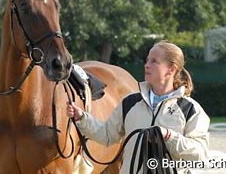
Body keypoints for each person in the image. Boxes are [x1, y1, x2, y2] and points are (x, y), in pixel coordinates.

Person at [66, 41, 209, 173]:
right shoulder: (130, 102)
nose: (147, 65)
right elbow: (107, 135)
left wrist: (170, 136)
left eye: (154, 61)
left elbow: (200, 155)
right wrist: (81, 118)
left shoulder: (191, 110)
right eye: (147, 60)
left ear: (171, 69)